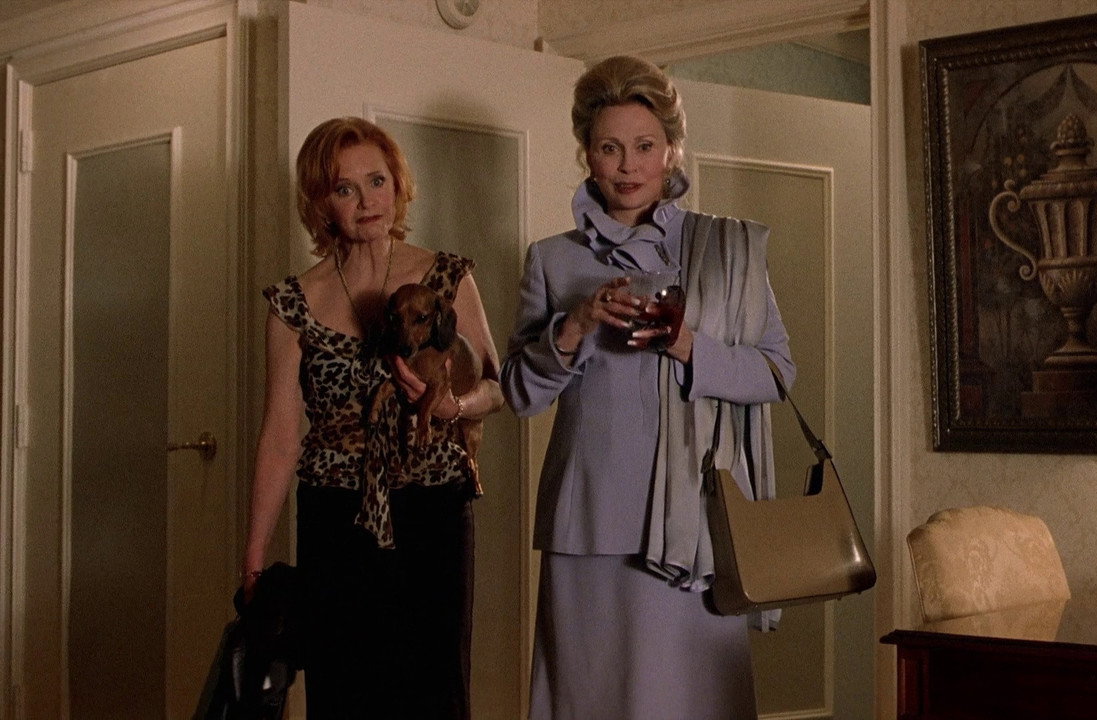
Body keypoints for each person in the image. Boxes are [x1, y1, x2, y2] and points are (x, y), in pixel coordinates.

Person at [500, 56, 795, 720]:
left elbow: (777, 372)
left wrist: (687, 344)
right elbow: (519, 392)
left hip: (696, 529)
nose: (628, 166)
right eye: (610, 148)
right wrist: (575, 325)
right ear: (587, 153)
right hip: (590, 526)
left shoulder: (724, 250)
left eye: (644, 146)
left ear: (671, 151)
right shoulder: (552, 258)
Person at [242, 116, 504, 719]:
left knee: (435, 693)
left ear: (398, 185)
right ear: (320, 203)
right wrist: (253, 561)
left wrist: (453, 406)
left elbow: (496, 387)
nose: (367, 201)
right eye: (345, 188)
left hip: (433, 509)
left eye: (377, 181)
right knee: (343, 690)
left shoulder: (446, 277)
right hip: (336, 514)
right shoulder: (293, 303)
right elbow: (280, 435)